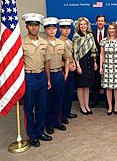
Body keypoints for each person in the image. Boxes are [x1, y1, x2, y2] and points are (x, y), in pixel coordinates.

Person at [22, 13, 52, 147]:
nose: (34, 28)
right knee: (29, 108)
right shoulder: (21, 42)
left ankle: (40, 132)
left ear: (39, 26)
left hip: (41, 76)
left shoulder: (44, 43)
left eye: (36, 25)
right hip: (29, 77)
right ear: (27, 26)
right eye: (31, 25)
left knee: (42, 106)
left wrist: (48, 80)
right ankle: (32, 135)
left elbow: (47, 62)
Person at [42, 17, 71, 134]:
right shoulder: (42, 43)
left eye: (53, 28)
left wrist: (67, 72)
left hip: (59, 73)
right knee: (48, 100)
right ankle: (48, 123)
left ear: (56, 29)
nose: (52, 31)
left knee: (59, 99)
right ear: (45, 30)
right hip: (46, 75)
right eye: (49, 29)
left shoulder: (61, 43)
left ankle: (56, 121)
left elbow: (67, 58)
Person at [73, 17, 98, 115]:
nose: (83, 26)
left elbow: (93, 49)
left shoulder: (90, 35)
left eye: (85, 24)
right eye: (81, 24)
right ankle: (82, 106)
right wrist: (78, 66)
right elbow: (75, 52)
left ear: (87, 25)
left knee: (87, 86)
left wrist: (95, 62)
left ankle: (87, 105)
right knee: (81, 86)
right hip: (81, 62)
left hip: (90, 61)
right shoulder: (76, 36)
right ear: (79, 26)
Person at [100, 22, 117, 115]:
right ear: (108, 30)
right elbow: (101, 54)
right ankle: (110, 106)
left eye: (113, 28)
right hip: (107, 66)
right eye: (110, 29)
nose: (111, 30)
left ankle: (116, 106)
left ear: (116, 30)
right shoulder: (104, 41)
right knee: (108, 88)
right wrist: (101, 67)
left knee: (116, 88)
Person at [59, 19, 78, 124]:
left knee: (70, 92)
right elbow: (57, 59)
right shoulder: (59, 42)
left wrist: (74, 63)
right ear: (60, 29)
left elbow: (71, 56)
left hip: (71, 69)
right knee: (63, 93)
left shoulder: (70, 41)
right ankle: (62, 115)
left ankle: (67, 111)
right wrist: (68, 66)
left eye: (68, 28)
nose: (66, 31)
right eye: (64, 28)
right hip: (63, 70)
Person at [90, 15, 107, 108]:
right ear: (96, 22)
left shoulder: (109, 33)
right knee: (95, 81)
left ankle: (108, 102)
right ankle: (95, 100)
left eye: (102, 21)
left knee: (106, 81)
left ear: (105, 22)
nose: (100, 22)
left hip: (107, 61)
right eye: (98, 21)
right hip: (95, 61)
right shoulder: (91, 33)